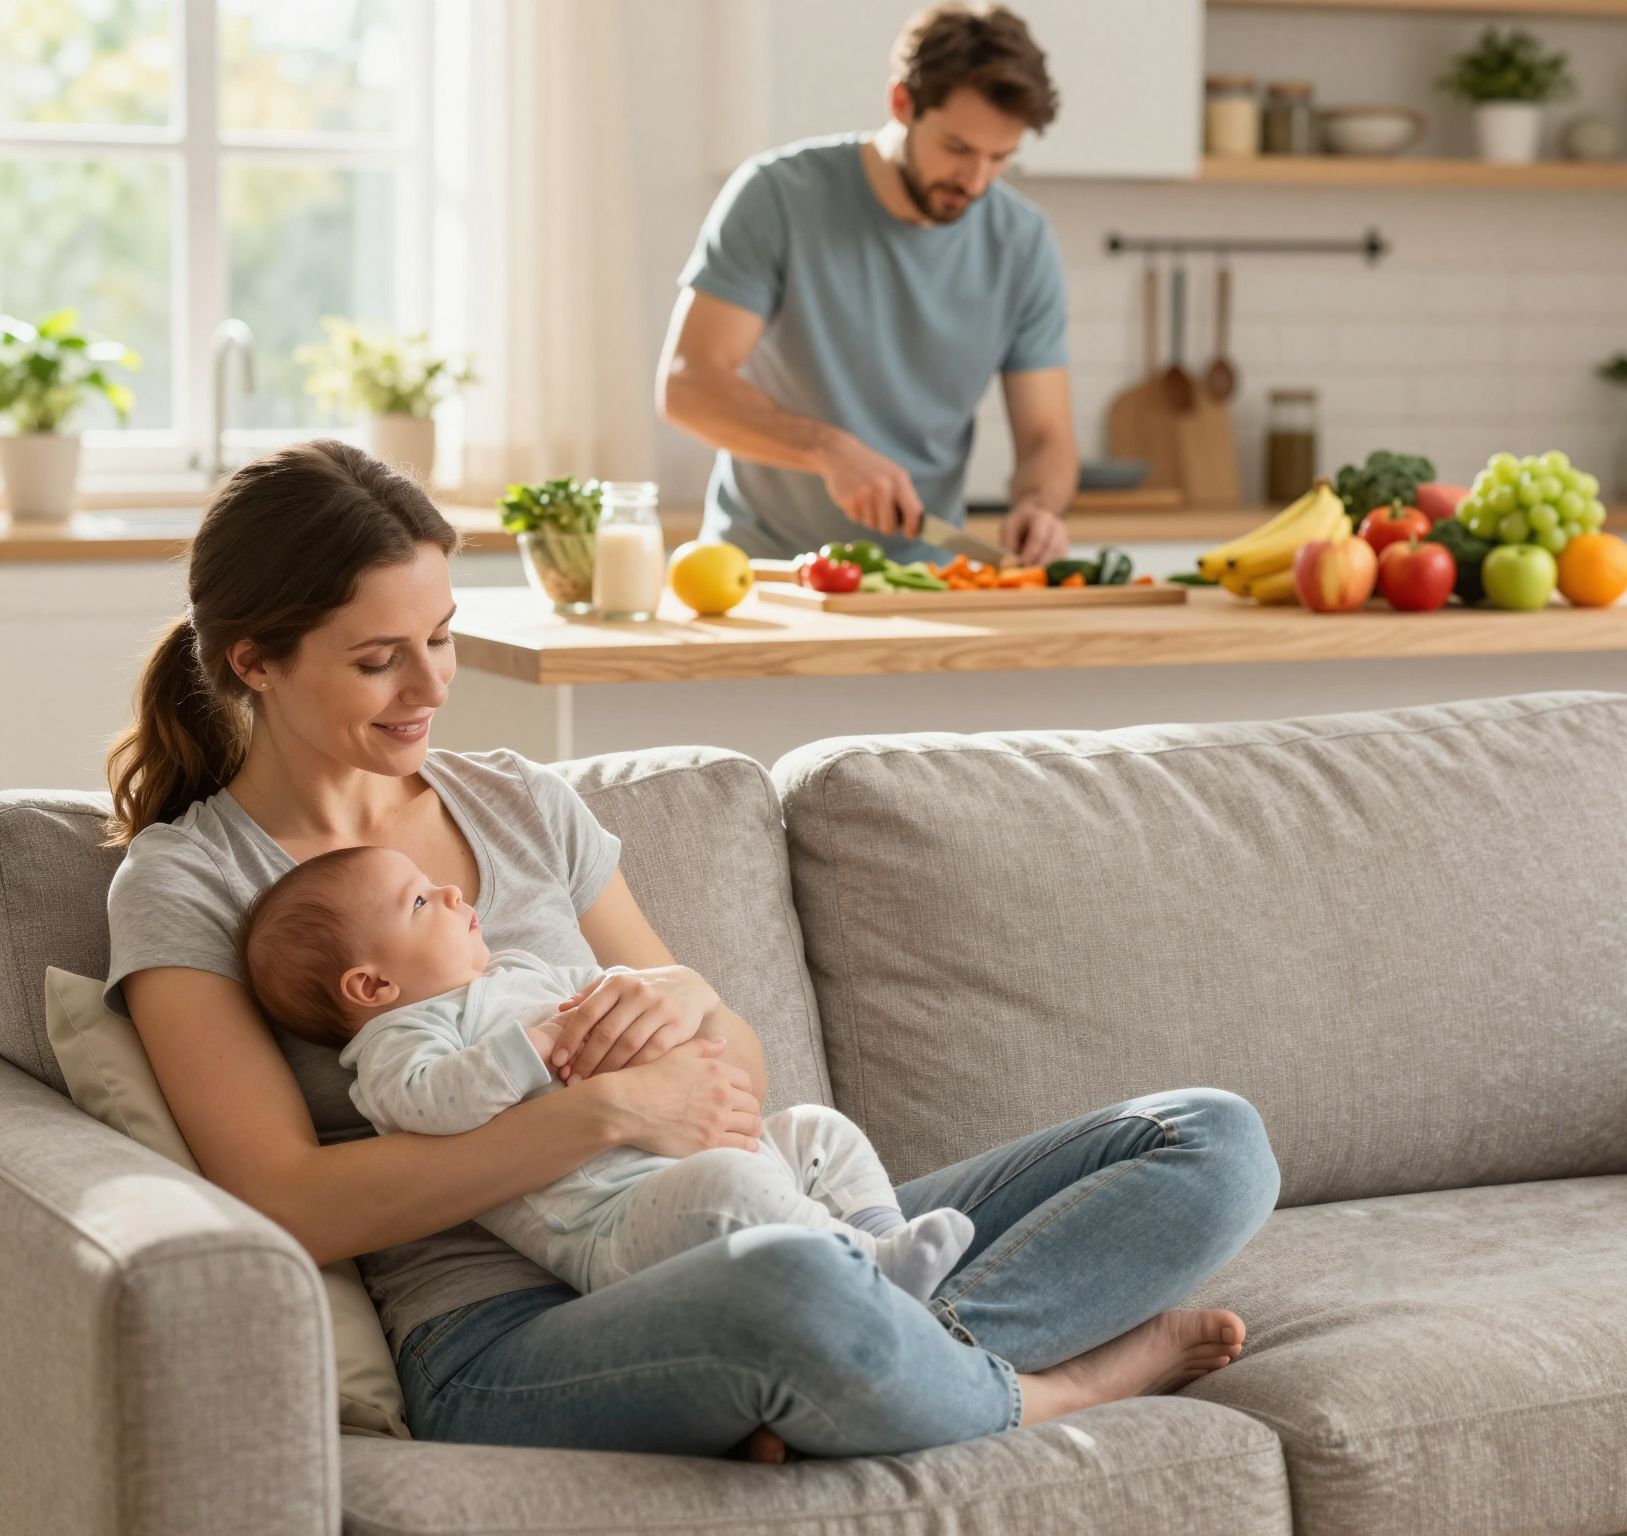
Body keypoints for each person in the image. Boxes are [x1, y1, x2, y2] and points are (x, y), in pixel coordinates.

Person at [101, 439, 1281, 1460]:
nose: (431, 688)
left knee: (1207, 1138)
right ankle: (1043, 1387)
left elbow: (735, 1076)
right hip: (501, 1330)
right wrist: (604, 1114)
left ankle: (868, 1370)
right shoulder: (192, 881)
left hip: (735, 1213)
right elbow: (283, 1201)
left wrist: (683, 998)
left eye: (443, 640)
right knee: (790, 1290)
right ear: (255, 660)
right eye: (377, 660)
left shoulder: (520, 806)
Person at [241, 844, 975, 1301]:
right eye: (422, 901)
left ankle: (883, 1242)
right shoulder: (400, 1041)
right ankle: (869, 1278)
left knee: (821, 1129)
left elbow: (622, 990)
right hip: (614, 1224)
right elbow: (433, 1104)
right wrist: (539, 1042)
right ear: (371, 987)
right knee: (734, 1186)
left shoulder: (517, 971)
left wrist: (661, 994)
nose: (456, 895)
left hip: (701, 1149)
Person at [658, 3, 1079, 569]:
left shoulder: (1022, 243)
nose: (975, 180)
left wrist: (1039, 506)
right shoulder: (777, 196)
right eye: (957, 149)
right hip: (760, 575)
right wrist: (827, 450)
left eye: (1000, 157)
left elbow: (1047, 437)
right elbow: (689, 386)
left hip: (924, 579)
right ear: (901, 102)